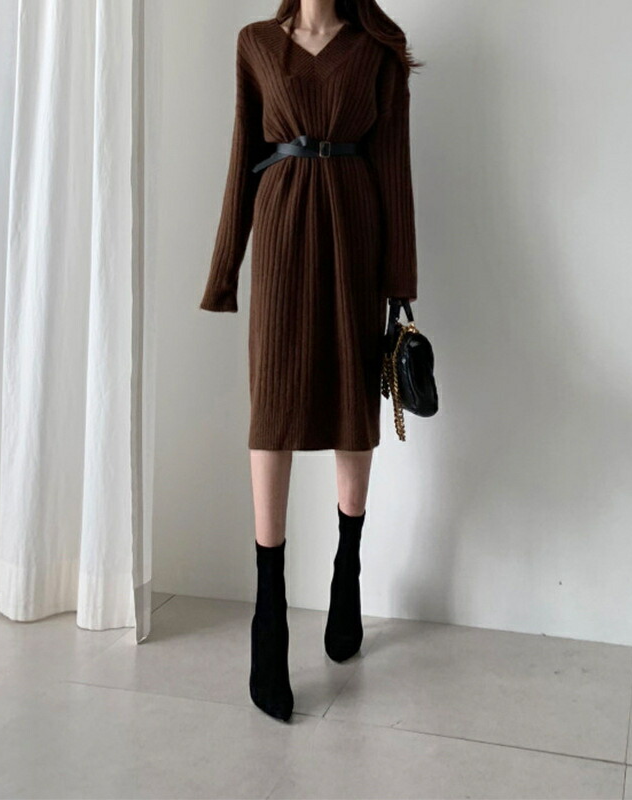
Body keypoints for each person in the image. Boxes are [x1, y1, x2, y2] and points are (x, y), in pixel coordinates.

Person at [199, 0, 422, 722]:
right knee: (274, 406)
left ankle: (346, 569)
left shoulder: (378, 49)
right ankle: (269, 607)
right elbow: (243, 156)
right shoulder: (256, 44)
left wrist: (400, 284)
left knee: (354, 401)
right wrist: (225, 270)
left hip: (356, 230)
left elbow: (394, 167)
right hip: (282, 227)